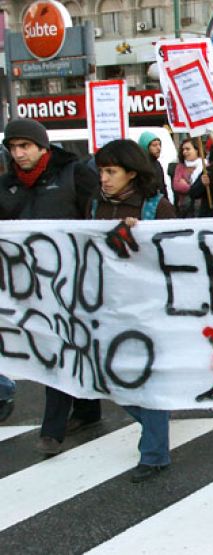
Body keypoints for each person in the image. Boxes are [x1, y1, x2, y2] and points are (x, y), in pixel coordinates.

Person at [0, 118, 100, 455]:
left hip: (72, 280)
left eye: (25, 146)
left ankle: (52, 430)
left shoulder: (73, 174)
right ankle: (88, 410)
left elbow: (98, 216)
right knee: (59, 347)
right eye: (13, 148)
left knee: (59, 348)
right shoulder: (7, 185)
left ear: (43, 146)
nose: (19, 154)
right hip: (27, 285)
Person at [91, 139, 178, 481]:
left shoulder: (157, 207)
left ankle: (154, 453)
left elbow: (176, 256)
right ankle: (156, 418)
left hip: (149, 307)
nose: (104, 178)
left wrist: (138, 240)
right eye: (100, 171)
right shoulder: (95, 206)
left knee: (146, 379)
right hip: (109, 305)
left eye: (111, 171)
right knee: (107, 375)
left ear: (131, 172)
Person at [171, 138, 203, 217]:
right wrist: (195, 188)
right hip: (185, 208)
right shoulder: (180, 167)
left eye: (188, 149)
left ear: (196, 150)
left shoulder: (204, 165)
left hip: (201, 207)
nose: (185, 152)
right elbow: (177, 185)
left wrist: (187, 185)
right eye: (183, 149)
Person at [138, 131, 167, 197]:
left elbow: (162, 187)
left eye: (159, 145)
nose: (158, 148)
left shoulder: (157, 164)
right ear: (145, 147)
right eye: (154, 145)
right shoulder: (139, 165)